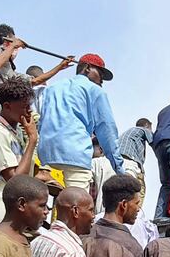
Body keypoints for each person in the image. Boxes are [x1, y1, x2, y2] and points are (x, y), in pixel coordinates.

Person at [37, 53, 124, 189]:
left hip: (46, 155)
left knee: (48, 204)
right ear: (88, 68)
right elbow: (107, 131)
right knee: (78, 203)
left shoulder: (53, 88)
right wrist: (120, 170)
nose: (102, 80)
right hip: (75, 154)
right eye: (100, 73)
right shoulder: (95, 91)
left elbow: (42, 122)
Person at [0, 76, 37, 230]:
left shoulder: (14, 133)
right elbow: (15, 180)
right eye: (24, 106)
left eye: (30, 105)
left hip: (5, 210)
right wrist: (32, 140)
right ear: (8, 106)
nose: (29, 111)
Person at [0, 24, 73, 101]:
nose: (16, 49)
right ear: (7, 40)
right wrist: (13, 45)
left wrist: (60, 67)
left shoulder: (11, 72)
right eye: (14, 40)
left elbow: (35, 81)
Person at [118, 118, 153, 207]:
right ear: (147, 126)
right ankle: (135, 215)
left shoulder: (128, 133)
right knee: (136, 191)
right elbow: (154, 141)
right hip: (130, 162)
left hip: (119, 163)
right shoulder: (142, 130)